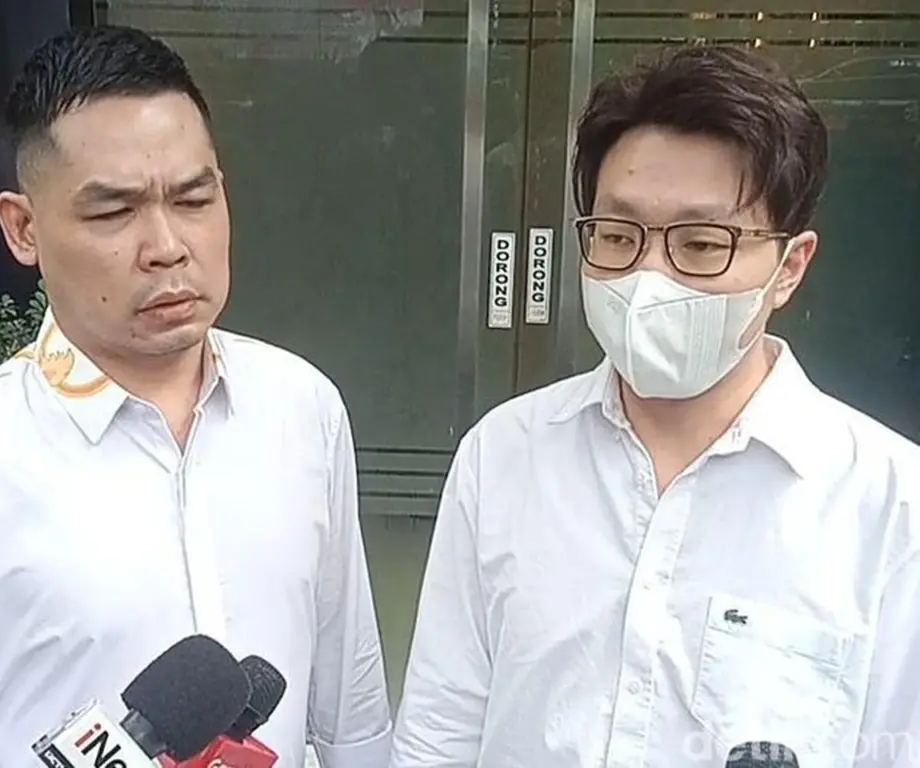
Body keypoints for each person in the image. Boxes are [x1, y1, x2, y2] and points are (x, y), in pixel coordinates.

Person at [390, 45, 920, 768]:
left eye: (701, 244)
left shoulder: (888, 506)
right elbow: (440, 730)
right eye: (617, 236)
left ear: (789, 267)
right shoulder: (505, 454)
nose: (649, 276)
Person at [0, 25, 391, 768]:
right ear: (23, 229)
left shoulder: (303, 407)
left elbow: (349, 701)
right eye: (113, 212)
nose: (166, 246)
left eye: (193, 199)